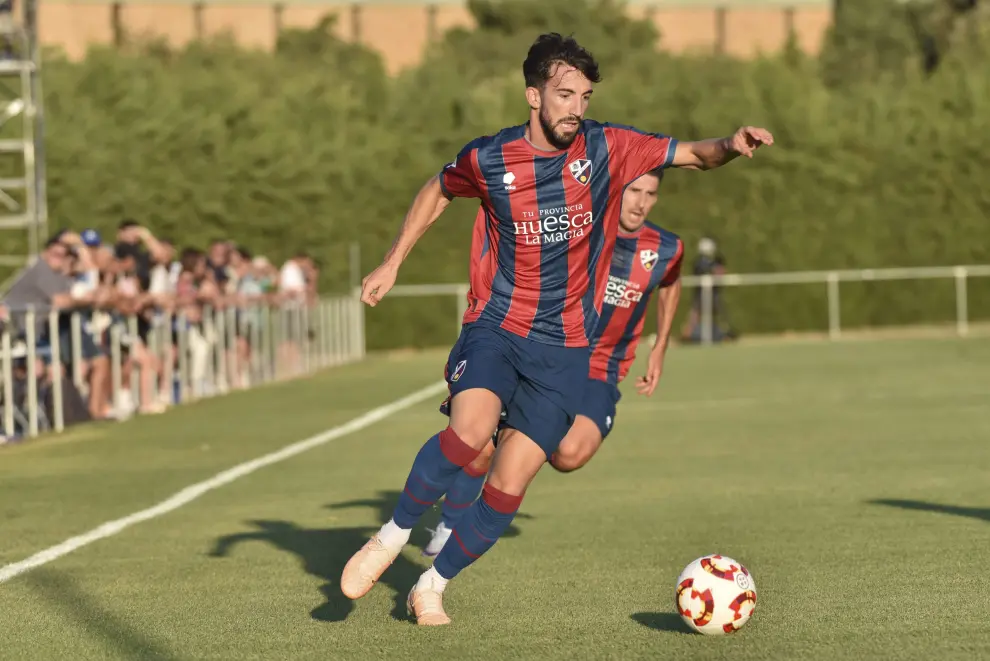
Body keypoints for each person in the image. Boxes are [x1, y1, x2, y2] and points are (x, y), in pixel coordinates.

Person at [341, 32, 774, 626]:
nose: (576, 106)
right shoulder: (491, 157)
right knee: (469, 434)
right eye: (564, 94)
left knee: (509, 484)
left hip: (566, 349)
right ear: (533, 95)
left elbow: (696, 155)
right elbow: (439, 189)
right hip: (497, 323)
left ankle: (432, 585)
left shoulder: (607, 147)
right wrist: (393, 261)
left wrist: (731, 142)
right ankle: (389, 538)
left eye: (585, 96)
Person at [424, 168, 683, 555]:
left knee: (570, 453)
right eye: (634, 191)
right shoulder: (583, 228)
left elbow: (671, 281)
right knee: (480, 445)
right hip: (548, 352)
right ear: (618, 189)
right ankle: (450, 523)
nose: (641, 202)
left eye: (650, 193)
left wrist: (660, 343)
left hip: (600, 370)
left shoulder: (665, 247)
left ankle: (516, 440)